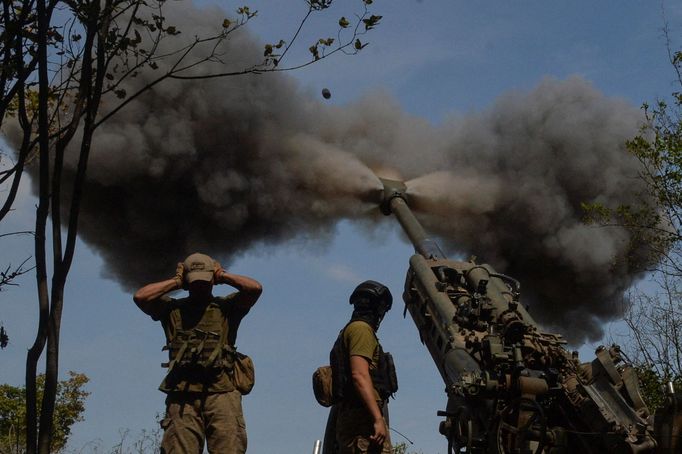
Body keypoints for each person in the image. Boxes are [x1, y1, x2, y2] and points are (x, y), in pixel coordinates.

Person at [133, 252, 262, 454]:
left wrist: (223, 276)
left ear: (212, 280)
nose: (200, 286)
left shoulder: (227, 308)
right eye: (194, 282)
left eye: (204, 281)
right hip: (183, 397)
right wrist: (176, 282)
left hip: (222, 393)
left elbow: (254, 289)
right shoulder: (172, 310)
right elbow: (141, 297)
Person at [325, 280, 398, 454]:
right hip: (362, 422)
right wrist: (377, 419)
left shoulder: (352, 329)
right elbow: (359, 375)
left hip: (357, 418)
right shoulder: (361, 330)